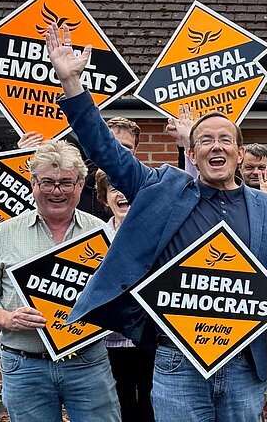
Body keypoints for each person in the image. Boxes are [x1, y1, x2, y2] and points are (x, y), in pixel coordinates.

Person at [46, 23, 267, 421]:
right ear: (193, 152)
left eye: (225, 140)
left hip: (244, 365)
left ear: (238, 151)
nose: (215, 146)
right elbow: (105, 149)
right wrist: (71, 84)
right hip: (177, 362)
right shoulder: (161, 187)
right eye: (205, 140)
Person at [0, 140, 120, 421]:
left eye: (66, 183)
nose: (56, 191)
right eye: (48, 182)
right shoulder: (2, 234)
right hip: (24, 365)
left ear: (80, 185)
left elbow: (120, 294)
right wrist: (5, 318)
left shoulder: (102, 235)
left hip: (88, 362)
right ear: (33, 183)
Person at [95, 170, 155, 422]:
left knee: (151, 407)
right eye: (112, 189)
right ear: (104, 198)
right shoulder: (93, 237)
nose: (120, 193)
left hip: (149, 341)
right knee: (121, 408)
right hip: (108, 344)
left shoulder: (157, 235)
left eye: (124, 187)